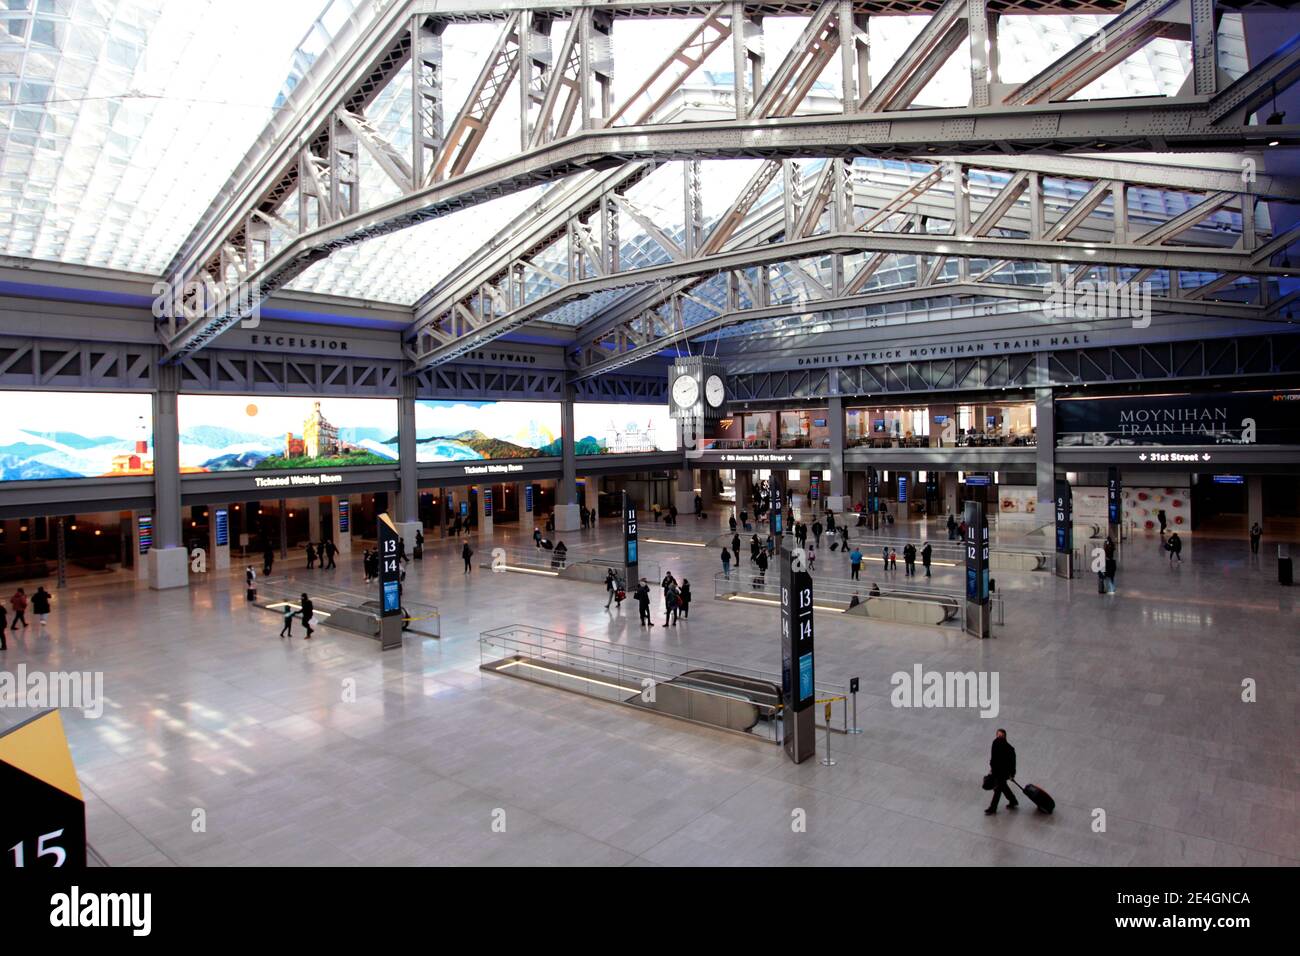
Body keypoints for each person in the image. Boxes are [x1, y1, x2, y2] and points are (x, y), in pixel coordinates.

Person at [985, 728, 1019, 814]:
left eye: (1001, 735)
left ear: (1005, 736)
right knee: (1003, 787)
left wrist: (1012, 773)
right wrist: (991, 769)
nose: (999, 737)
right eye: (998, 735)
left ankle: (993, 808)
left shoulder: (1009, 749)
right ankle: (1013, 800)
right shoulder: (995, 743)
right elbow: (993, 757)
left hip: (1003, 773)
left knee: (998, 790)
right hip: (996, 771)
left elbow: (1012, 763)